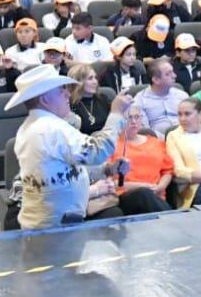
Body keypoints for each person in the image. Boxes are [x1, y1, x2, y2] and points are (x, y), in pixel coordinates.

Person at [10, 66, 132, 229]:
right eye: (61, 90)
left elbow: (64, 170)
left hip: (51, 223)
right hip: (55, 228)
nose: (67, 93)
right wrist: (116, 113)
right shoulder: (51, 128)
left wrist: (106, 170)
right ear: (45, 99)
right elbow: (98, 150)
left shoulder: (34, 126)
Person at [102, 106, 176, 215]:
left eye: (137, 117)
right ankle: (174, 220)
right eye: (129, 118)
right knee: (143, 193)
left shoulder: (155, 142)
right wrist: (141, 186)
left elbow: (167, 171)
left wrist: (161, 186)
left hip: (156, 195)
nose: (133, 122)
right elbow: (108, 183)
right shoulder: (111, 145)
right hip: (125, 197)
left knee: (146, 195)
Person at [134, 59, 190, 137]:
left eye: (172, 72)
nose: (174, 76)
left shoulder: (182, 95)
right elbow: (145, 132)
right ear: (156, 80)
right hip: (157, 142)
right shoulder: (140, 100)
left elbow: (193, 122)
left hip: (185, 137)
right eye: (168, 74)